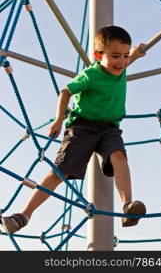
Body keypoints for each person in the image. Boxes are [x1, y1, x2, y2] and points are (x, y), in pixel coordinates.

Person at [1, 25, 146, 234]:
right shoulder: (91, 75)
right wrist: (59, 119)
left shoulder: (120, 67)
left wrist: (135, 55)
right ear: (98, 55)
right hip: (83, 127)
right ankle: (24, 215)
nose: (122, 62)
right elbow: (66, 92)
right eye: (116, 56)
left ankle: (128, 206)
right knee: (60, 172)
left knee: (119, 157)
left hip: (110, 129)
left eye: (125, 55)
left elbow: (125, 60)